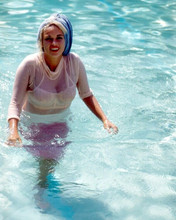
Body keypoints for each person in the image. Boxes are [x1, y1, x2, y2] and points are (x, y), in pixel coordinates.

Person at [7, 13, 118, 146]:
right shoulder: (30, 64)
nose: (54, 43)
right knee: (45, 163)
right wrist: (13, 132)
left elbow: (86, 94)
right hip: (32, 126)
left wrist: (105, 120)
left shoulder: (74, 62)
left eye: (59, 38)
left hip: (61, 126)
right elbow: (15, 103)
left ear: (66, 40)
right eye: (48, 38)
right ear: (41, 41)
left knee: (52, 163)